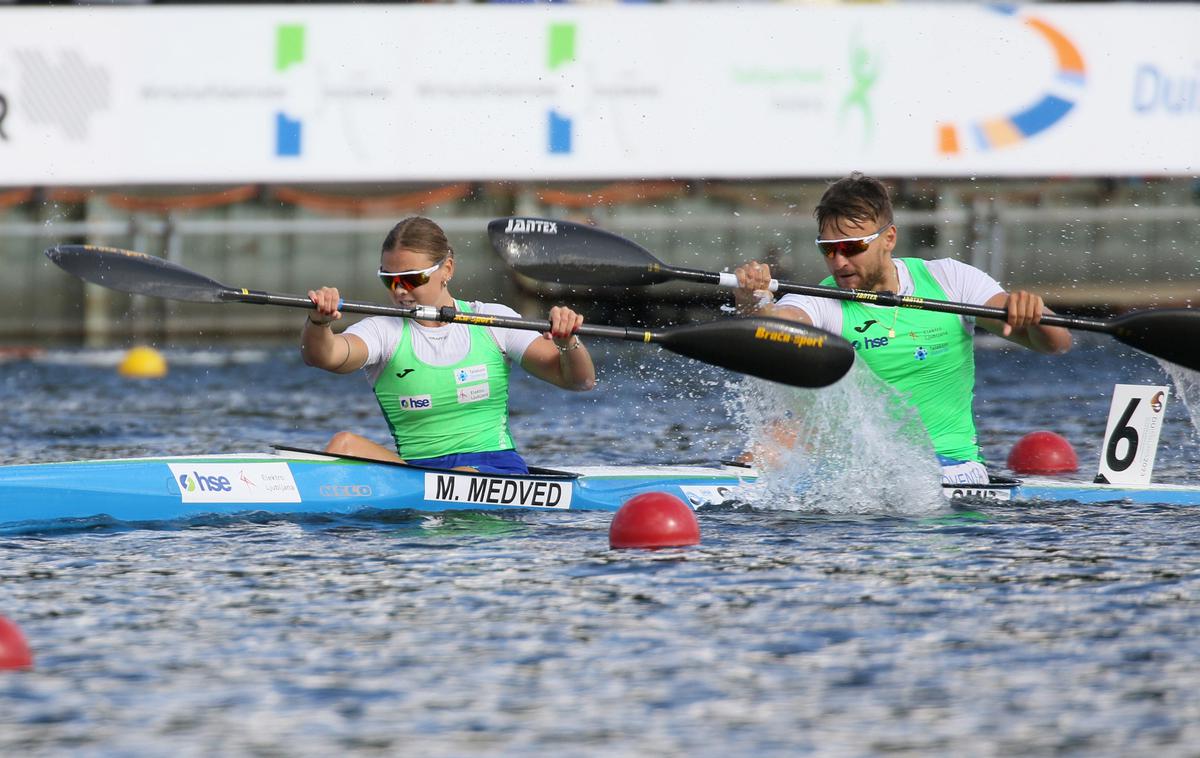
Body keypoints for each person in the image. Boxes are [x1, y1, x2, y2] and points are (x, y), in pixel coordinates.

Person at [733, 173, 1072, 484]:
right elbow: (778, 327)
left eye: (852, 247)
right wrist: (755, 302)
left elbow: (1056, 344)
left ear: (889, 238)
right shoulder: (823, 300)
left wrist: (1035, 313)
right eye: (829, 250)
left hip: (951, 470)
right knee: (774, 438)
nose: (839, 261)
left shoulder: (949, 280)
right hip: (862, 472)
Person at [302, 216, 595, 474]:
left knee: (464, 472)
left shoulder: (493, 321)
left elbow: (579, 381)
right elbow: (325, 356)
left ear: (447, 269)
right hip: (417, 473)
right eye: (389, 280)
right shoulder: (383, 330)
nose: (400, 290)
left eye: (411, 279)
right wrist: (319, 322)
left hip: (493, 469)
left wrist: (568, 341)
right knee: (344, 445)